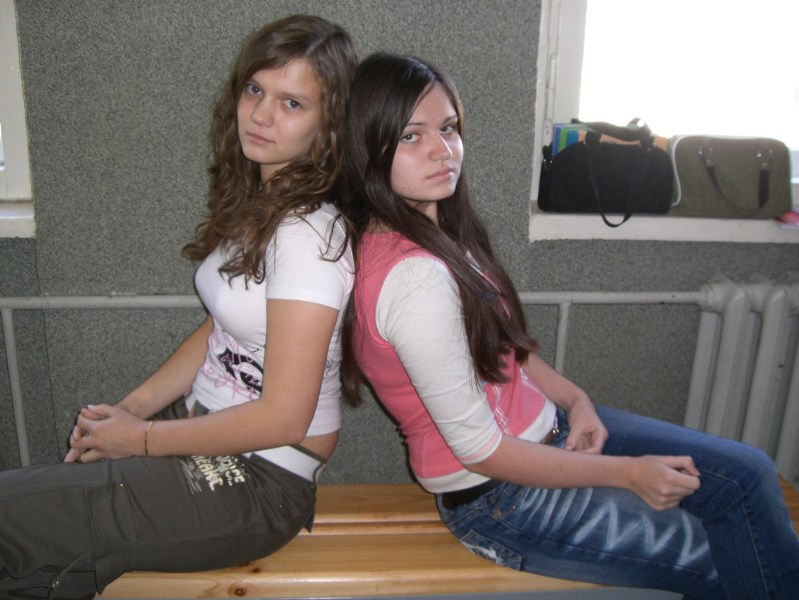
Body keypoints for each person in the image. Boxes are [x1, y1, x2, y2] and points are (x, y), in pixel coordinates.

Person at [340, 52, 799, 600]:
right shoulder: (414, 279)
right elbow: (481, 451)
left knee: (748, 475)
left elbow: (506, 350)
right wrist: (627, 473)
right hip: (501, 497)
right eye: (412, 137)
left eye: (449, 128)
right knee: (728, 559)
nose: (443, 150)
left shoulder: (442, 234)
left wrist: (578, 402)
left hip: (549, 430)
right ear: (368, 148)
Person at [0, 15, 356, 600]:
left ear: (329, 126)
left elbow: (285, 419)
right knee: (40, 538)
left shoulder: (307, 238)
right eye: (255, 89)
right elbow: (218, 330)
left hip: (260, 478)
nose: (261, 114)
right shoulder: (261, 202)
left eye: (292, 103)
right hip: (200, 429)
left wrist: (139, 438)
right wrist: (128, 411)